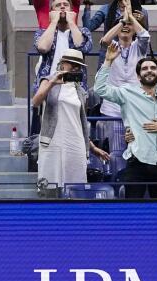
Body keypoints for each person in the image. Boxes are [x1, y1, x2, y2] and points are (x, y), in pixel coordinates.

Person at [31, 48, 109, 197]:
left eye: (78, 65)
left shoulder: (80, 90)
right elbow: (35, 101)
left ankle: (75, 218)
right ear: (62, 63)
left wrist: (93, 148)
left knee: (75, 187)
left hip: (75, 142)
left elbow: (80, 122)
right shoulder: (47, 80)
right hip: (52, 141)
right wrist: (53, 82)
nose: (75, 67)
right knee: (50, 186)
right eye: (71, 63)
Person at [95, 45, 157, 198]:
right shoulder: (127, 92)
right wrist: (108, 61)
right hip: (137, 161)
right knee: (133, 210)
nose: (149, 70)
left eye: (153, 68)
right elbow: (100, 89)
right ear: (139, 76)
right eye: (145, 68)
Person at [92, 4, 149, 163]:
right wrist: (122, 21)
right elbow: (104, 40)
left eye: (129, 25)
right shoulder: (112, 47)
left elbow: (144, 35)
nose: (126, 27)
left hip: (135, 110)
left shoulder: (139, 47)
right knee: (117, 154)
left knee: (137, 153)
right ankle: (119, 186)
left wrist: (130, 18)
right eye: (123, 25)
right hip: (113, 110)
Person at [34, 0, 91, 86]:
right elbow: (43, 48)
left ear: (72, 11)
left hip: (74, 87)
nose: (62, 7)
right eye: (58, 5)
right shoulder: (42, 33)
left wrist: (71, 21)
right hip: (48, 85)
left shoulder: (83, 32)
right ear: (51, 12)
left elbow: (82, 47)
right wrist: (53, 22)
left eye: (65, 5)